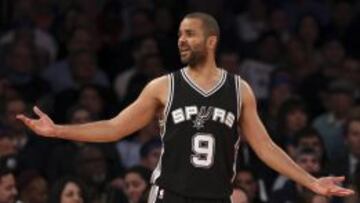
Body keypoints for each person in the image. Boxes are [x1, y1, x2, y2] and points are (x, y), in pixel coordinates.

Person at [17, 12, 354, 203]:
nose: (181, 40)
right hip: (170, 195)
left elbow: (265, 147)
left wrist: (311, 182)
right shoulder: (163, 86)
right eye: (179, 34)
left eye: (190, 34)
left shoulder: (240, 90)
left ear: (211, 41)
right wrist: (58, 129)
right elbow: (115, 127)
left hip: (216, 198)